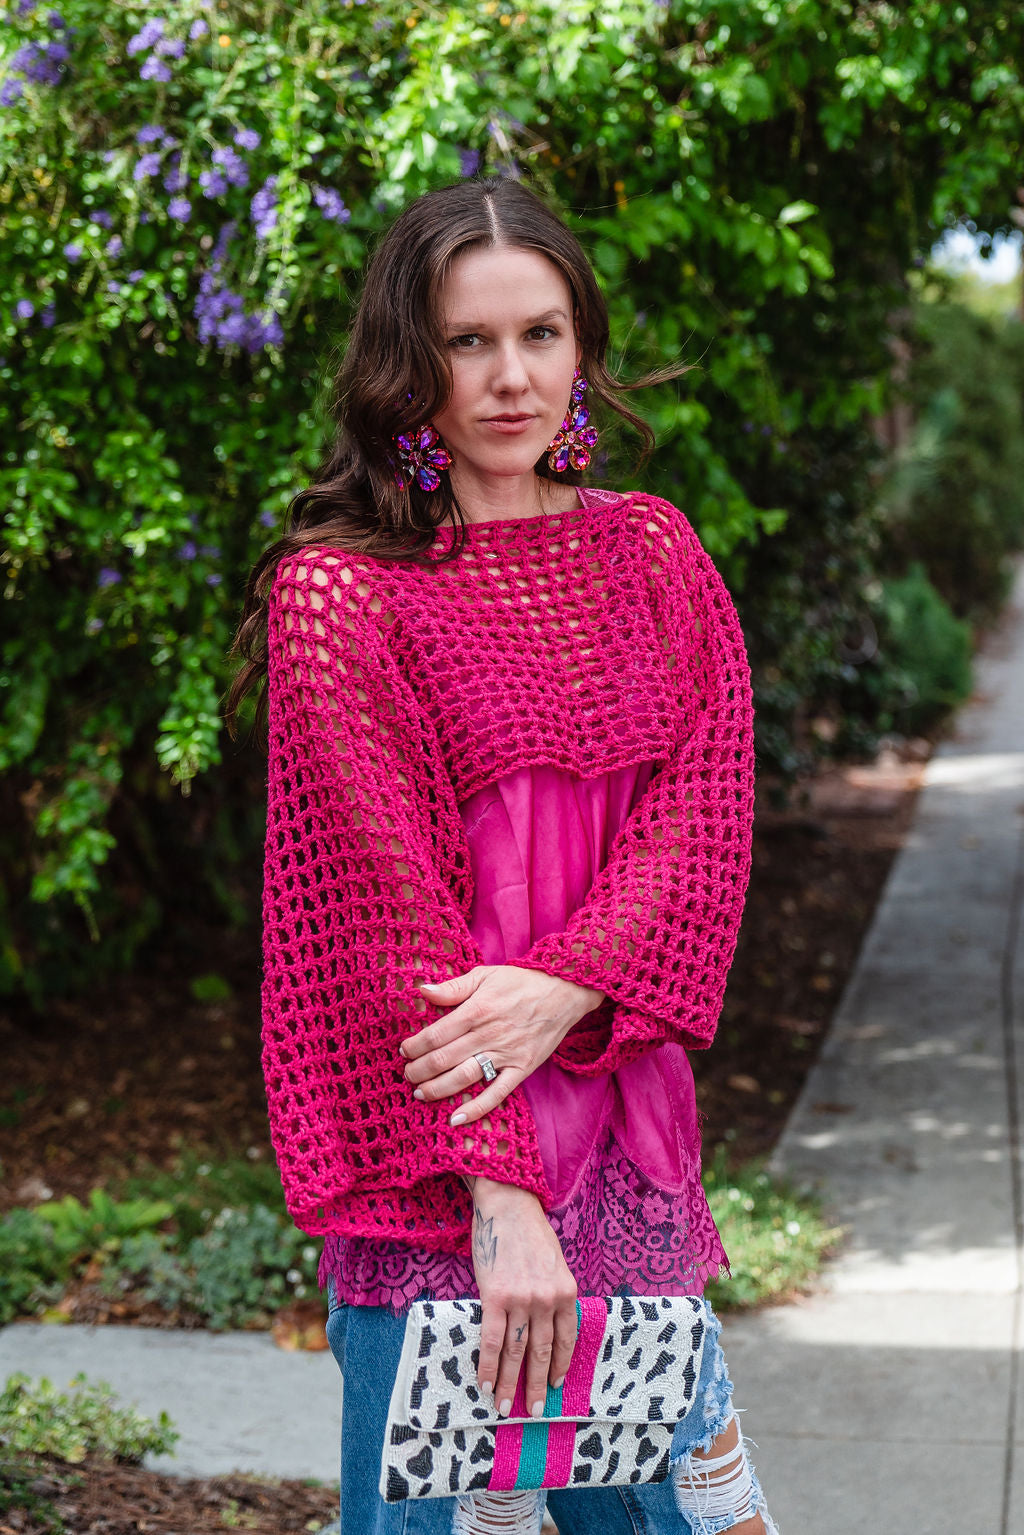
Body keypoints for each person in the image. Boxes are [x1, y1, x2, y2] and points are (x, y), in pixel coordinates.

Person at [227, 177, 778, 1535]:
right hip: (447, 1178)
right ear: (407, 364)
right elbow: (384, 932)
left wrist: (571, 981)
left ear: (581, 345)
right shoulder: (341, 592)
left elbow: (702, 809)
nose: (511, 378)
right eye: (469, 343)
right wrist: (504, 1205)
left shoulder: (650, 554)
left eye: (540, 334)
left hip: (631, 1150)